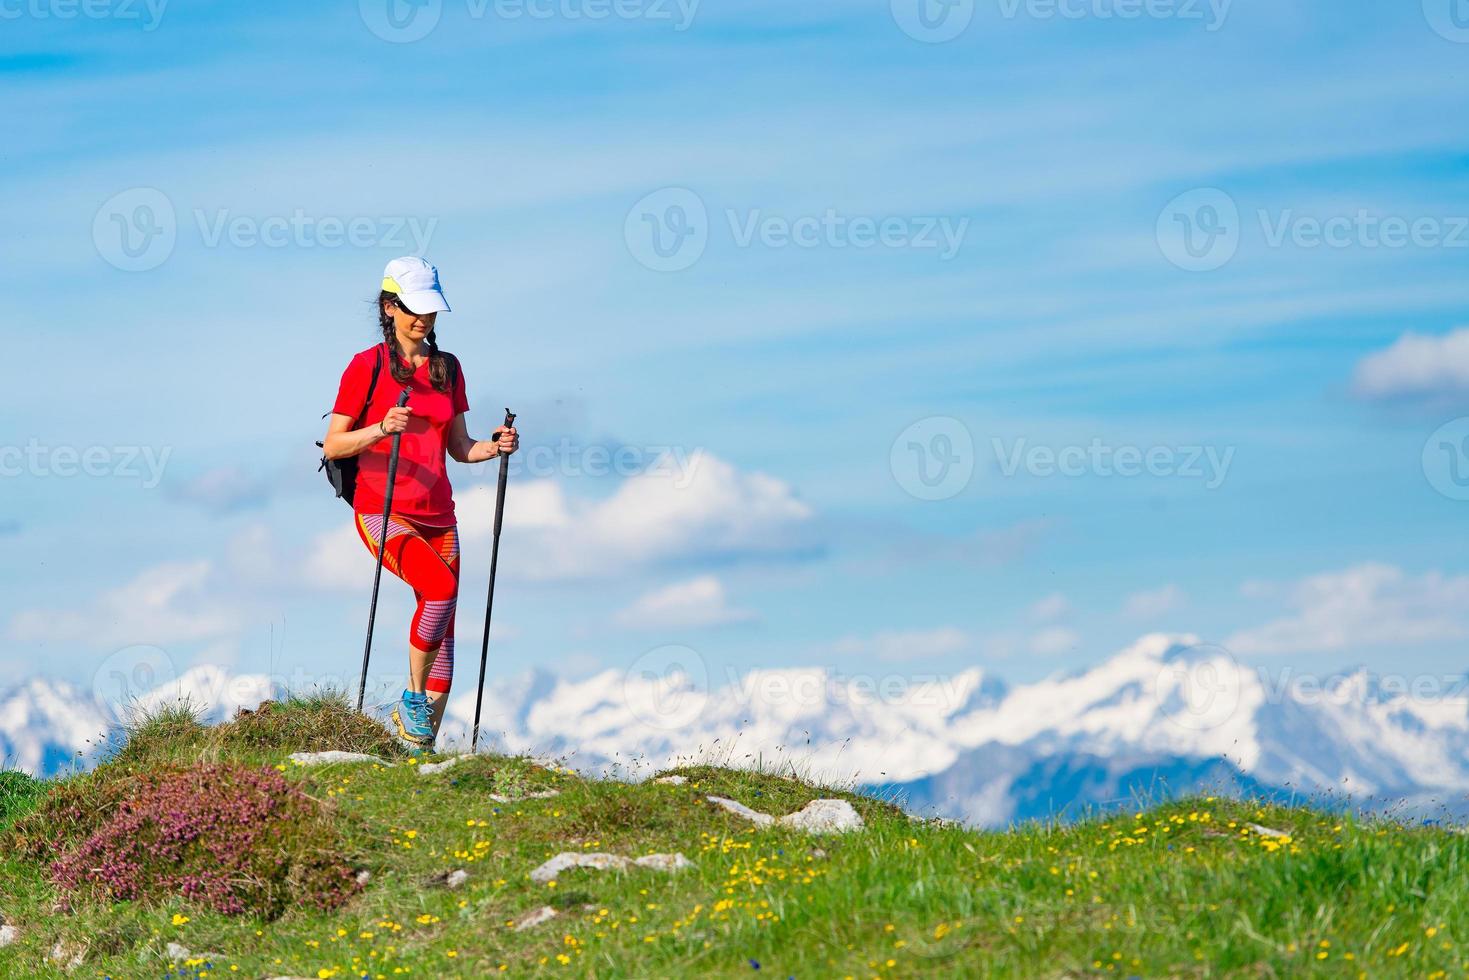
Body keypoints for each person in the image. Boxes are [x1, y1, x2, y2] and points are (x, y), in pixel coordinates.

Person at [321, 256, 517, 747]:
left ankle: (417, 749)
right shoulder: (366, 367)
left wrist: (494, 447)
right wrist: (381, 427)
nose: (423, 319)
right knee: (440, 589)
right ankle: (411, 700)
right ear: (389, 307)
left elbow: (458, 446)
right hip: (382, 511)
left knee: (445, 631)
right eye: (412, 309)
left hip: (440, 516)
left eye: (430, 310)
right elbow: (333, 446)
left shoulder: (447, 369)